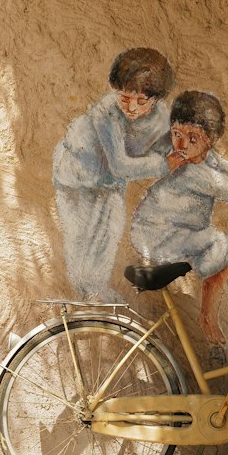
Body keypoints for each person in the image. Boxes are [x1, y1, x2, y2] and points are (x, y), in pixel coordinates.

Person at [130, 89, 228, 359]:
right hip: (156, 234)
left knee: (218, 246)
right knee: (221, 246)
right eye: (176, 135)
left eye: (192, 139)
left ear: (210, 142)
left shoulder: (207, 160)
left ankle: (207, 315)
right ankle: (207, 318)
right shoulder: (193, 172)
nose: (180, 146)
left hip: (171, 231)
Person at [53, 47, 175, 300]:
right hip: (77, 177)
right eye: (124, 98)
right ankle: (87, 297)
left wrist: (177, 159)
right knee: (80, 238)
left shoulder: (162, 118)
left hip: (110, 183)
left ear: (156, 99)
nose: (131, 107)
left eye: (141, 101)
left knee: (109, 233)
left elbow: (169, 151)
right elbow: (121, 165)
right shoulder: (106, 112)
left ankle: (96, 293)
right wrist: (165, 165)